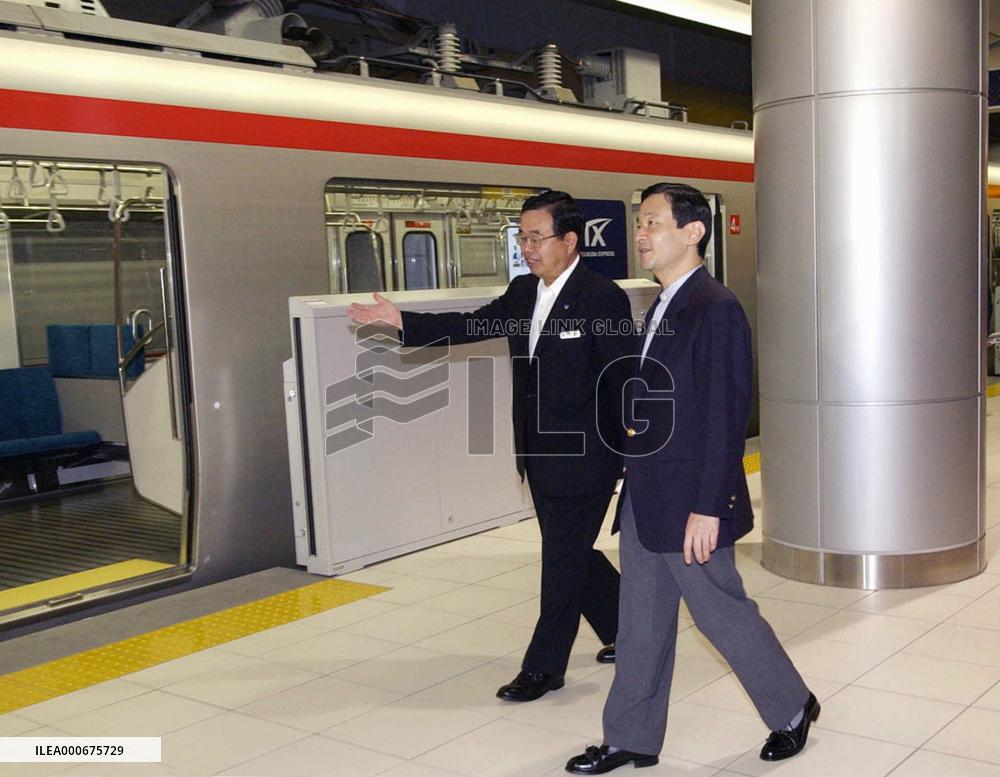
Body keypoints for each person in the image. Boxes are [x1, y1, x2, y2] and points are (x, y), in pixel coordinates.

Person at [566, 183, 817, 774]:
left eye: (653, 222)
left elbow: (726, 416)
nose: (641, 235)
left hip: (690, 502)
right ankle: (631, 736)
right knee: (640, 624)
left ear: (693, 231)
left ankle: (791, 708)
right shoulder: (661, 305)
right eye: (639, 224)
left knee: (721, 614)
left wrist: (710, 505)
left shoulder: (714, 307)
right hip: (649, 496)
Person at [347, 191, 633, 702]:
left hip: (585, 456)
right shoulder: (524, 292)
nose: (527, 247)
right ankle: (627, 627)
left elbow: (622, 379)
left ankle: (544, 668)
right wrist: (402, 321)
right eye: (521, 237)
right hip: (536, 453)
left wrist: (627, 456)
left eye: (536, 237)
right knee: (569, 554)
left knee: (559, 567)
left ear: (570, 241)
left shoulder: (601, 297)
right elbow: (471, 325)